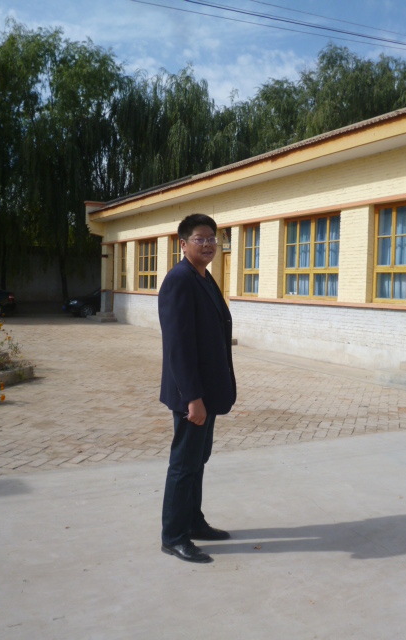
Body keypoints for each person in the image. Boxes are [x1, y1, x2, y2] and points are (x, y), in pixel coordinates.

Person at [158, 214, 237, 564]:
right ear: (183, 244)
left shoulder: (202, 276)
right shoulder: (179, 280)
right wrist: (193, 398)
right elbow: (178, 346)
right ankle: (174, 536)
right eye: (200, 239)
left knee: (197, 460)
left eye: (212, 239)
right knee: (183, 464)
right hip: (192, 396)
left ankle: (193, 521)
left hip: (208, 392)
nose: (208, 245)